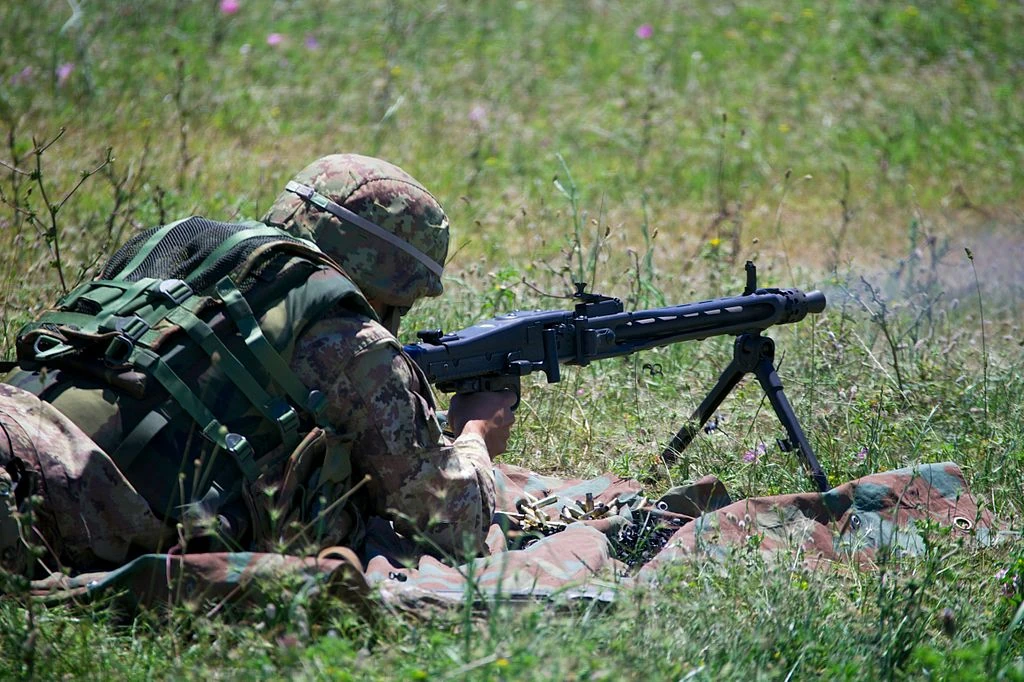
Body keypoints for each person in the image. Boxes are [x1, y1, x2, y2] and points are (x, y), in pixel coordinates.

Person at [0, 153, 515, 578]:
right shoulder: (349, 338)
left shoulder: (183, 248)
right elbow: (451, 520)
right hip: (62, 494)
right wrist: (476, 433)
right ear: (390, 283)